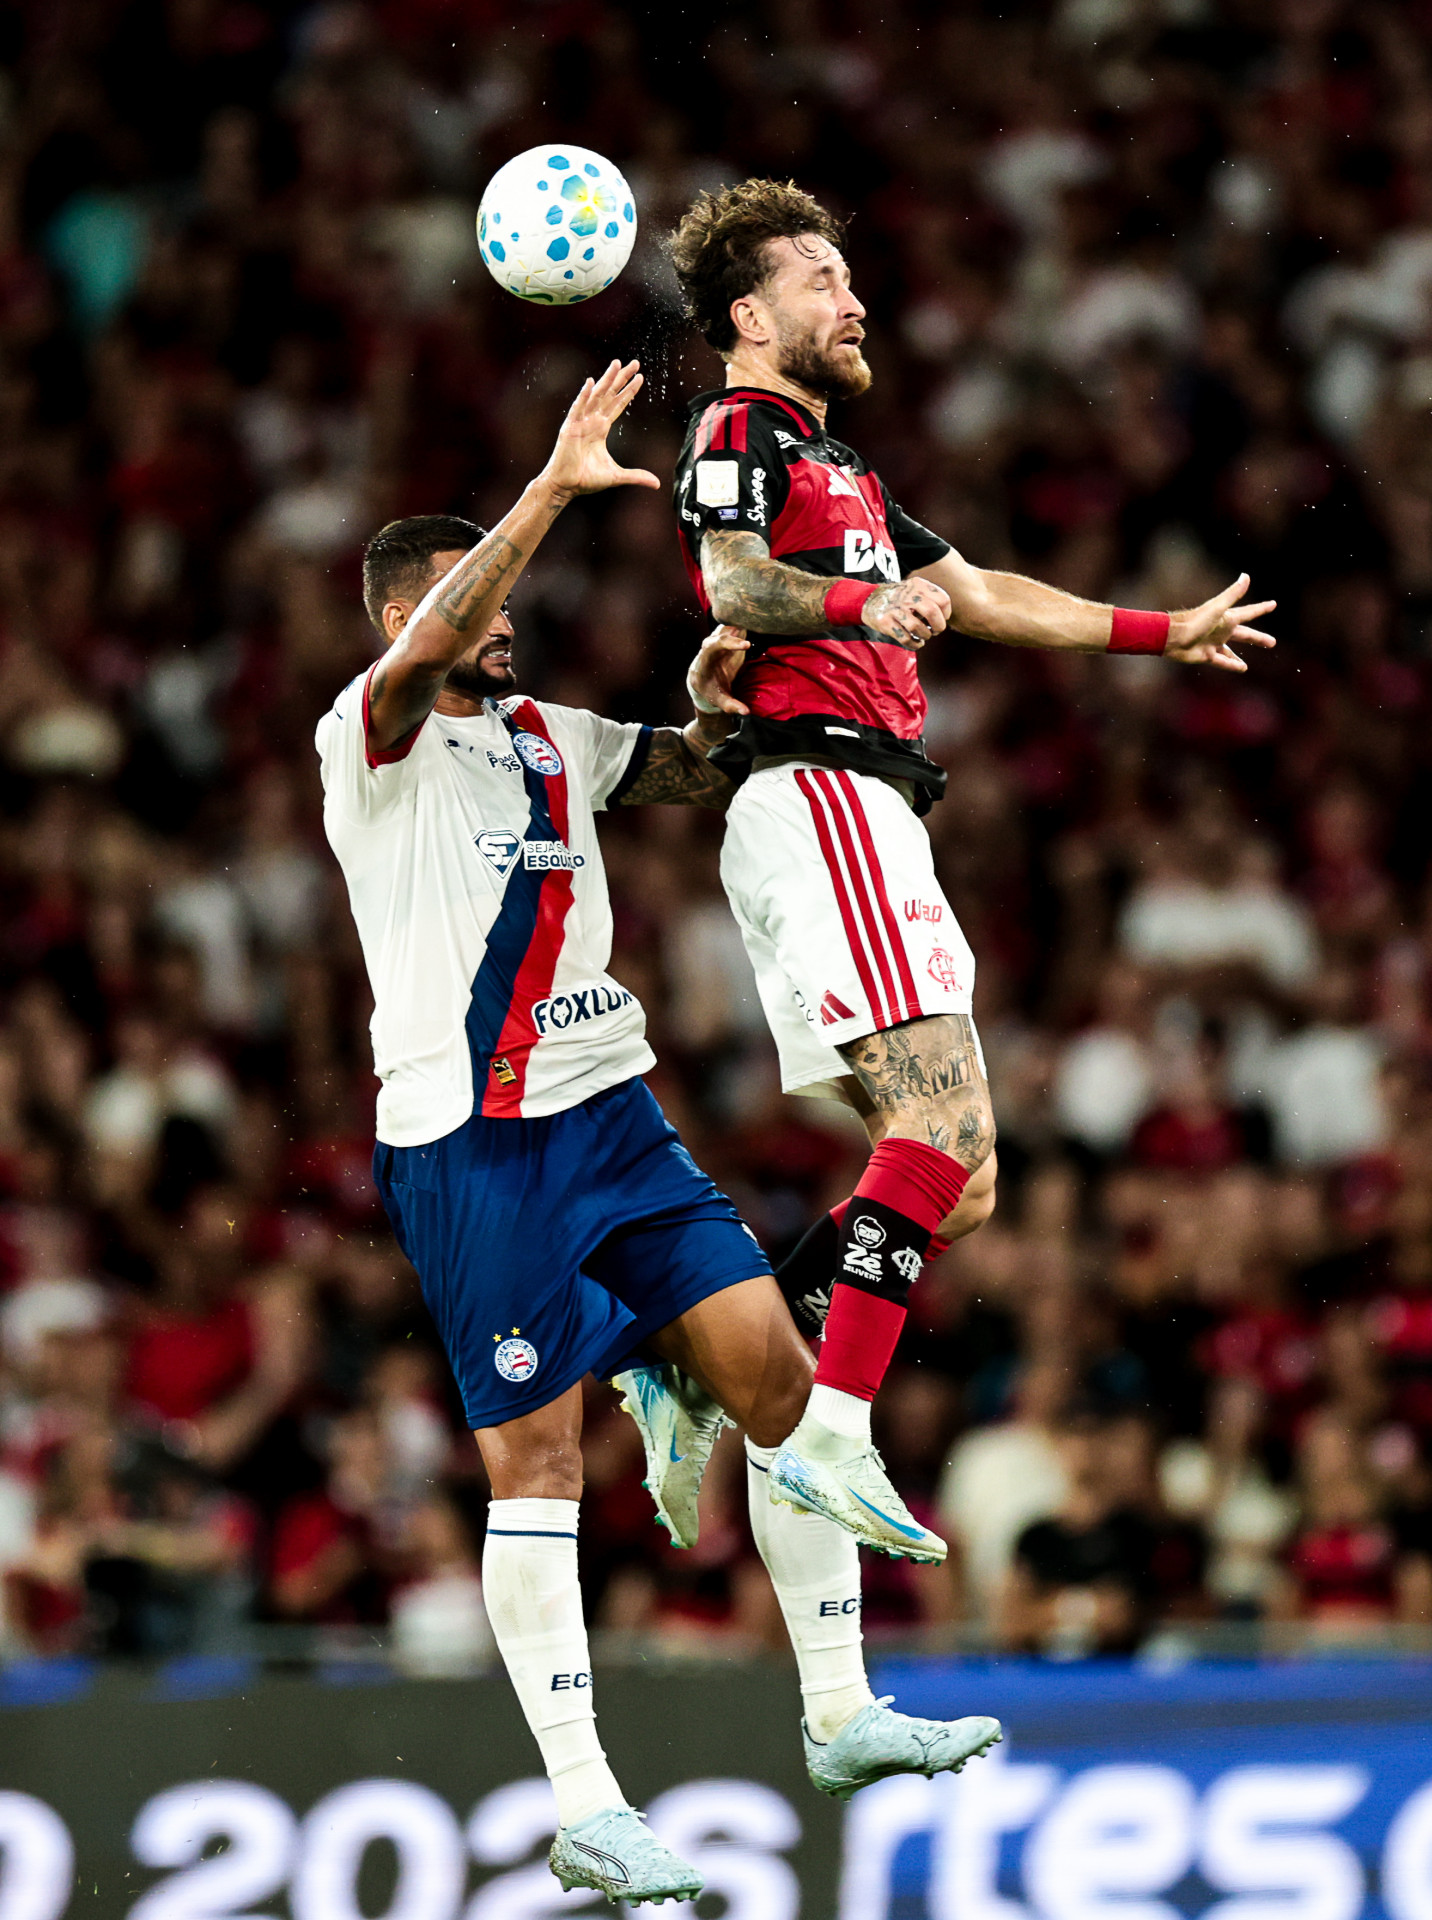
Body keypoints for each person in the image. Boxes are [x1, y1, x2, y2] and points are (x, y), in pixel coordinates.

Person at [316, 362, 1001, 1906]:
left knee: (780, 1379)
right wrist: (553, 486)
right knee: (537, 1458)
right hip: (471, 1142)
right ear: (403, 620)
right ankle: (586, 1804)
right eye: (463, 602)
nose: (501, 619)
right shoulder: (372, 737)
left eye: (493, 600)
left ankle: (840, 1712)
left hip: (613, 1114)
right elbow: (434, 644)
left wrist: (731, 705)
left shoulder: (554, 733)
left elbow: (692, 772)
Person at [667, 180, 1277, 1561]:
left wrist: (1158, 629)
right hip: (822, 794)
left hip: (864, 813)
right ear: (750, 316)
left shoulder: (852, 470)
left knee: (966, 1177)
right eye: (824, 279)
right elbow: (732, 582)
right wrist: (859, 603)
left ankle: (694, 1362)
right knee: (937, 1138)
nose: (855, 299)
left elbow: (988, 592)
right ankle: (832, 1434)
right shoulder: (741, 428)